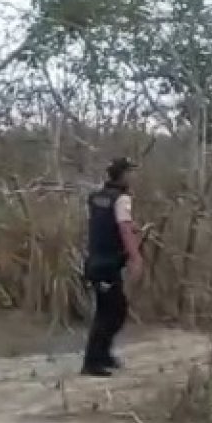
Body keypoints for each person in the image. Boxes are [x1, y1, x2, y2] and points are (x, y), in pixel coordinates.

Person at [81, 157, 144, 377]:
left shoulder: (96, 197)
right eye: (130, 172)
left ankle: (103, 355)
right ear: (123, 175)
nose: (133, 177)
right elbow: (124, 229)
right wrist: (136, 258)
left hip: (96, 260)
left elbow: (104, 222)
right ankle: (92, 361)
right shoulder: (122, 199)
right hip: (108, 263)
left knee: (112, 309)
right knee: (110, 313)